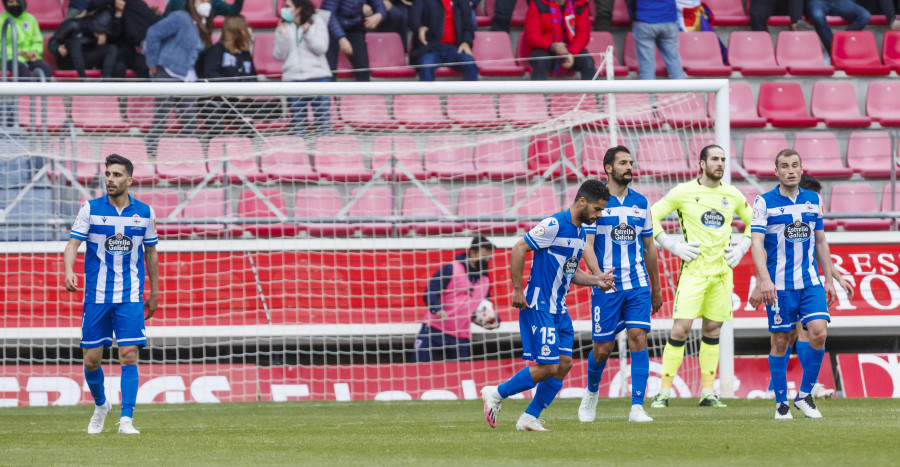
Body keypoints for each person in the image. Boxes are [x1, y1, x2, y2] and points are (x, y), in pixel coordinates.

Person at [481, 179, 615, 432]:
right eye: (597, 209)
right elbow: (519, 248)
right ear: (582, 201)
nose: (599, 215)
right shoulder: (554, 224)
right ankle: (496, 393)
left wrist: (597, 280)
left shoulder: (579, 233)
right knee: (548, 366)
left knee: (564, 364)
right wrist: (518, 290)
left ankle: (529, 417)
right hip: (539, 304)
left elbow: (571, 274)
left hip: (559, 308)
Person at [649, 144, 752, 408]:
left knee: (712, 330)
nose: (720, 163)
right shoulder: (683, 191)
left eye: (723, 159)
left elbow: (756, 221)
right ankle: (663, 392)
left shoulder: (733, 194)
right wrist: (673, 246)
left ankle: (707, 393)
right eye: (715, 159)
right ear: (702, 164)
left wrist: (743, 246)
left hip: (721, 274)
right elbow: (650, 216)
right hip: (693, 273)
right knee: (681, 329)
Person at [63, 154, 159, 435]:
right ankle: (101, 405)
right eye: (107, 174)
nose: (110, 179)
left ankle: (126, 420)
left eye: (117, 175)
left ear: (129, 180)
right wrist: (69, 270)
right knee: (91, 360)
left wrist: (154, 292)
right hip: (96, 296)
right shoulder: (90, 209)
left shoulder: (144, 212)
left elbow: (151, 253)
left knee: (128, 354)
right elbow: (72, 245)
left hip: (130, 295)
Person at [577, 146, 663, 424]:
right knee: (603, 348)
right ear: (608, 168)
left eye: (631, 162)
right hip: (607, 287)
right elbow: (587, 247)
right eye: (623, 163)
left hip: (637, 284)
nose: (629, 166)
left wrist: (657, 287)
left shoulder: (642, 203)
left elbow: (649, 247)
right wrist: (599, 276)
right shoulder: (596, 202)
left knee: (639, 337)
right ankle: (590, 395)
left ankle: (637, 406)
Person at [749, 173, 851, 400]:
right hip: (781, 283)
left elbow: (818, 248)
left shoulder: (810, 209)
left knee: (806, 332)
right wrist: (759, 282)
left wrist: (836, 278)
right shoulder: (774, 208)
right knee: (784, 336)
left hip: (806, 282)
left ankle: (806, 387)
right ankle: (779, 389)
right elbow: (763, 248)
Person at [415, 235, 498, 363]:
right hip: (434, 329)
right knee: (419, 369)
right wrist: (437, 309)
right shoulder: (451, 268)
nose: (487, 260)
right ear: (472, 252)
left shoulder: (486, 280)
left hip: (460, 336)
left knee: (461, 376)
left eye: (489, 258)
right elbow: (430, 291)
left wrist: (492, 321)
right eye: (484, 257)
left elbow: (482, 309)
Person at [143, 0, 211, 153]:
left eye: (207, 0)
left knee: (189, 115)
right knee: (162, 113)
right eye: (201, 0)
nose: (206, 3)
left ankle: (187, 152)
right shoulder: (180, 17)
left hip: (187, 73)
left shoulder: (203, 22)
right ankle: (150, 151)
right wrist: (152, 62)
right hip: (167, 69)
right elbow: (153, 32)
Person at [274, 0, 332, 138]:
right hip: (293, 80)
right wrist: (283, 36)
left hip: (318, 78)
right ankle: (300, 159)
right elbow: (278, 55)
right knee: (298, 129)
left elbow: (322, 48)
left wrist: (307, 34)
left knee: (324, 127)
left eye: (288, 6)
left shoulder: (316, 21)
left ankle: (324, 158)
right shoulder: (283, 26)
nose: (284, 9)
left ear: (299, 8)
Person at [202, 15, 257, 135]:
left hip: (241, 102)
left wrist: (244, 92)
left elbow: (253, 77)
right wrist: (233, 91)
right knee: (216, 127)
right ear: (235, 30)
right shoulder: (216, 51)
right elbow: (210, 75)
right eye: (245, 27)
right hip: (218, 101)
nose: (248, 30)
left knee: (248, 128)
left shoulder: (245, 53)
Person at [85, 0, 161, 78]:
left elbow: (151, 20)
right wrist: (118, 14)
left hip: (128, 49)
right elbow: (92, 6)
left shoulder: (135, 5)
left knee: (142, 65)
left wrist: (119, 13)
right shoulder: (106, 9)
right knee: (119, 67)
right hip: (111, 49)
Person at [523, 0, 595, 80]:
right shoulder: (537, 3)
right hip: (545, 48)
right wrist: (552, 46)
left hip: (571, 50)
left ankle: (593, 92)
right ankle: (538, 92)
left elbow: (583, 34)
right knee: (540, 61)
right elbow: (532, 36)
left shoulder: (580, 3)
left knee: (588, 62)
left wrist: (572, 53)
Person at [409, 0, 478, 81]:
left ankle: (472, 94)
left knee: (469, 63)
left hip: (454, 48)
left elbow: (468, 26)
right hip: (430, 48)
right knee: (426, 66)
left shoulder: (462, 1)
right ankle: (428, 94)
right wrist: (419, 28)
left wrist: (466, 42)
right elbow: (413, 18)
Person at [321, 0, 385, 81]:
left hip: (354, 27)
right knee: (330, 70)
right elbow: (329, 15)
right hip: (330, 28)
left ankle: (364, 93)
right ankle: (329, 93)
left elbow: (379, 4)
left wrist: (379, 14)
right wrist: (341, 38)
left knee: (363, 69)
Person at [48, 10, 122, 79]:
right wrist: (57, 48)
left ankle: (106, 79)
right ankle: (83, 78)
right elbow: (51, 42)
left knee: (112, 48)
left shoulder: (101, 32)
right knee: (74, 41)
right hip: (68, 60)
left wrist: (101, 42)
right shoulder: (72, 24)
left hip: (86, 58)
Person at [631, 0, 684, 80]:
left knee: (646, 66)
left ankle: (650, 92)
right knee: (674, 61)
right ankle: (682, 91)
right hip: (669, 19)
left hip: (645, 19)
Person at [0, 0, 53, 79]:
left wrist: (34, 51)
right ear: (6, 4)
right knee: (22, 70)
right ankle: (25, 92)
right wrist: (16, 53)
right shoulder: (1, 20)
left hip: (29, 58)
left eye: (17, 2)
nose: (14, 4)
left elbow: (37, 40)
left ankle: (40, 91)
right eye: (11, 2)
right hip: (9, 59)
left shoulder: (30, 19)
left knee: (46, 69)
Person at [806, 0, 870, 53]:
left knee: (864, 15)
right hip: (818, 1)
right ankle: (835, 51)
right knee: (817, 17)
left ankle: (843, 42)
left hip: (840, 2)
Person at [163, 0, 242, 21]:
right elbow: (164, 20)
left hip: (204, 47)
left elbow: (233, 12)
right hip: (181, 47)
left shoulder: (214, 2)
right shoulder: (177, 1)